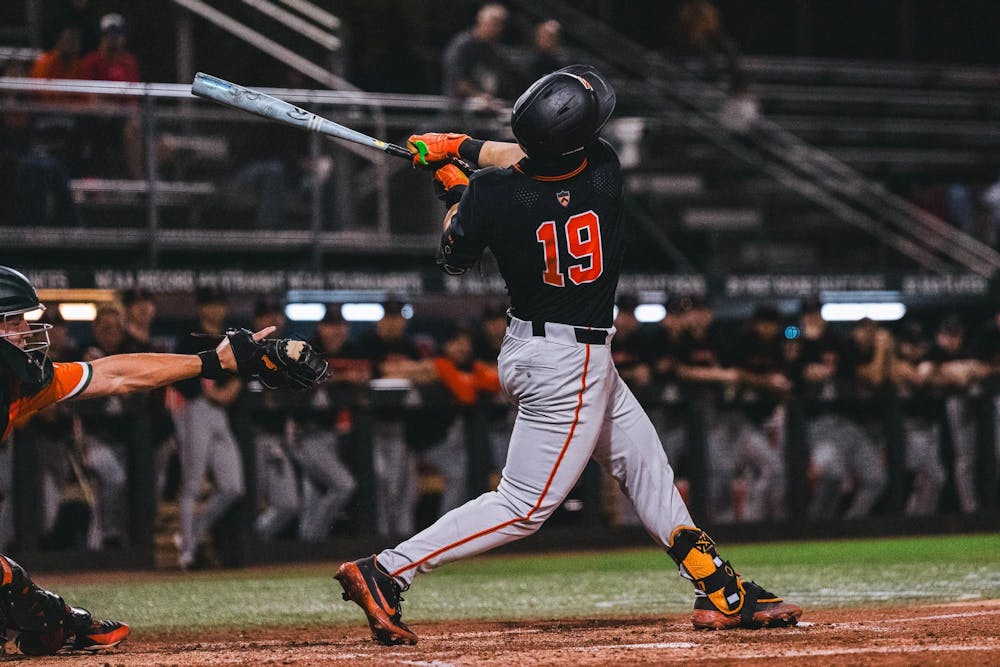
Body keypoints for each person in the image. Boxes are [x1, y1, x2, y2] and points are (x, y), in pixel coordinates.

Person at [334, 65, 801, 646]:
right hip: (567, 364)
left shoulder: (494, 195)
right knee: (525, 505)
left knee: (646, 468)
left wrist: (456, 181)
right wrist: (463, 155)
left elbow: (455, 251)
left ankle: (720, 590)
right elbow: (526, 165)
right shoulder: (603, 168)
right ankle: (387, 570)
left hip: (545, 351)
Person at [0, 265, 317, 654]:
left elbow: (114, 374)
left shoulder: (16, 383)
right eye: (13, 321)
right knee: (13, 588)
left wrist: (211, 362)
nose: (26, 333)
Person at [170, 288, 246, 569]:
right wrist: (210, 392)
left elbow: (245, 369)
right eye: (209, 304)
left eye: (218, 303)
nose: (214, 309)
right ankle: (187, 553)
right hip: (195, 409)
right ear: (200, 308)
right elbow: (178, 375)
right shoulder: (189, 337)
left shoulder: (233, 336)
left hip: (222, 413)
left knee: (233, 486)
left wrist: (230, 390)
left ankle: (192, 531)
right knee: (192, 483)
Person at [77, 13, 143, 179]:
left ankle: (151, 180)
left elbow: (133, 98)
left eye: (118, 34)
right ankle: (137, 180)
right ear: (102, 37)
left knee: (164, 143)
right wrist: (112, 107)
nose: (113, 39)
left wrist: (125, 110)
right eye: (109, 35)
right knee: (131, 129)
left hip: (126, 115)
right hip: (99, 119)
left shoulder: (130, 62)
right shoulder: (90, 62)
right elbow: (92, 98)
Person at [441, 3, 511, 110]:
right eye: (494, 23)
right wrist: (480, 96)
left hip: (487, 115)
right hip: (458, 113)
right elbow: (458, 83)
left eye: (501, 24)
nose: (498, 29)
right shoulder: (461, 46)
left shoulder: (495, 52)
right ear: (481, 21)